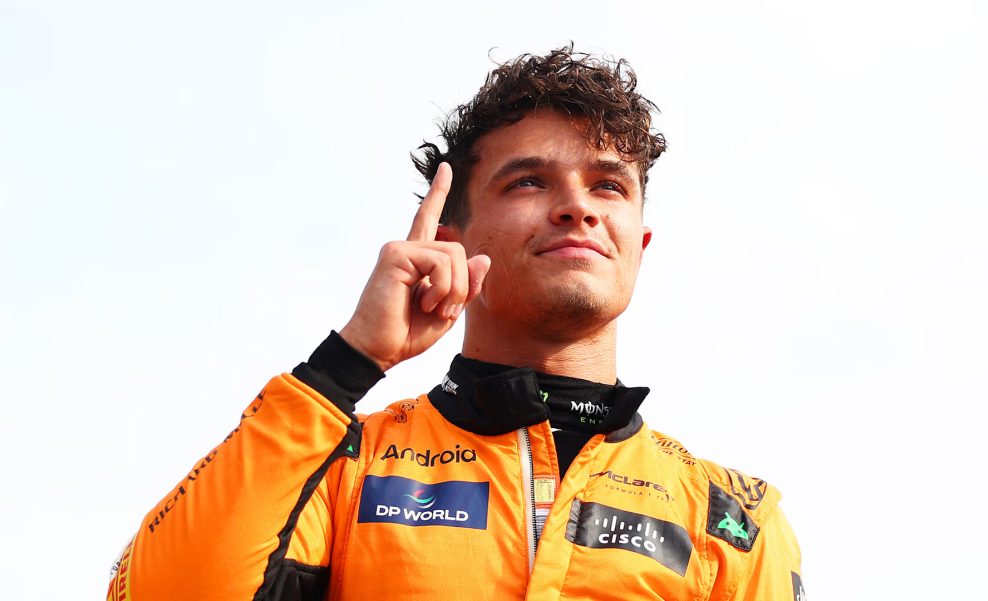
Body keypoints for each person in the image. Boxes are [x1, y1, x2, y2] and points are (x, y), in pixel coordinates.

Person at [107, 45, 804, 601]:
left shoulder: (730, 519)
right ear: (450, 240)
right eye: (529, 181)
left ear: (638, 245)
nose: (579, 207)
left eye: (608, 185)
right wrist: (348, 362)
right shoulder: (346, 467)